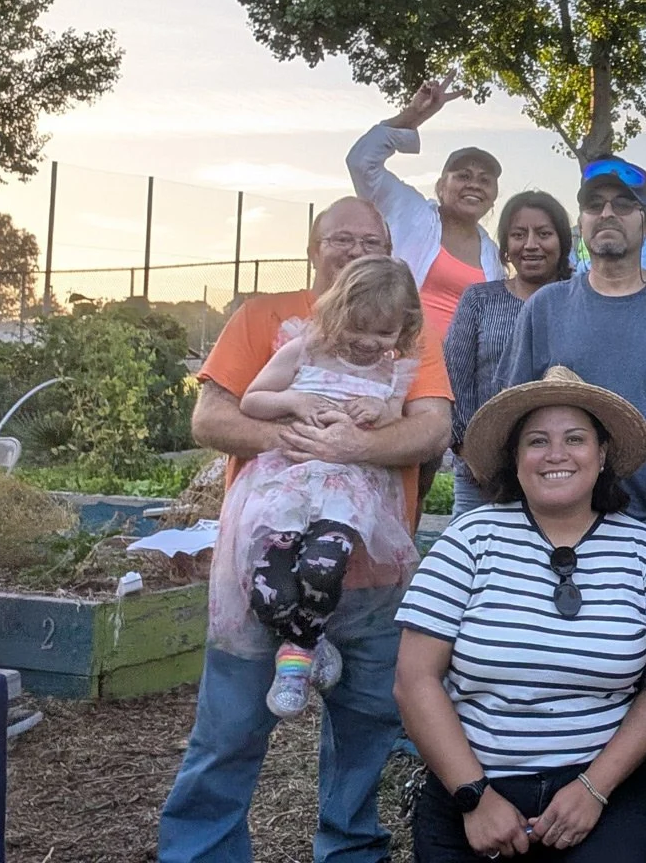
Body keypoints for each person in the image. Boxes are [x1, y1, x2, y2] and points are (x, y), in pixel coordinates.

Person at [158, 196, 452, 863]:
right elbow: (210, 419)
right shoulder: (266, 316)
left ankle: (347, 852)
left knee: (366, 731)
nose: (355, 249)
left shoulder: (406, 330)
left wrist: (356, 446)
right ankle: (200, 852)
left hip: (370, 570)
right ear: (313, 248)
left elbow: (433, 426)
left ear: (389, 252)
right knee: (229, 729)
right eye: (340, 238)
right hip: (269, 552)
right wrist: (295, 434)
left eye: (370, 240)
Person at [395, 366, 646, 862]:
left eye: (576, 439)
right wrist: (474, 795)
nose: (556, 455)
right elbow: (415, 679)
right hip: (473, 787)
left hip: (597, 790)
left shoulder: (643, 551)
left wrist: (594, 789)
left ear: (603, 454)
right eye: (537, 441)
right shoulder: (468, 541)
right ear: (516, 459)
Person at [220, 256, 426, 718]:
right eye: (359, 329)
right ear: (337, 314)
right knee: (269, 585)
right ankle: (311, 637)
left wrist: (380, 415)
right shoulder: (305, 348)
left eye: (385, 333)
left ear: (403, 328)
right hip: (285, 486)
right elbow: (253, 399)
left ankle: (295, 659)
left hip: (344, 490)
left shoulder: (394, 370)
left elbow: (397, 414)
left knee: (322, 566)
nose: (370, 343)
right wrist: (293, 399)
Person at [498, 155, 646, 531]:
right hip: (560, 524)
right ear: (581, 222)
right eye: (593, 205)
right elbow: (513, 410)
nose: (606, 213)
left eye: (623, 204)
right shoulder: (546, 307)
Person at [444, 190, 574, 517]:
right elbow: (456, 382)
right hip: (482, 478)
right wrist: (475, 458)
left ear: (562, 242)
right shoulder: (479, 300)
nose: (530, 244)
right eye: (518, 235)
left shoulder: (579, 303)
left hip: (561, 472)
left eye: (544, 234)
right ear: (505, 246)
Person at [346, 75, 504, 338]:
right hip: (392, 358)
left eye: (485, 180)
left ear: (493, 195)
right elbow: (362, 161)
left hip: (455, 375)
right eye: (463, 176)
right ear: (441, 186)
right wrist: (414, 115)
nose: (474, 184)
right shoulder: (410, 211)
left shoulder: (493, 257)